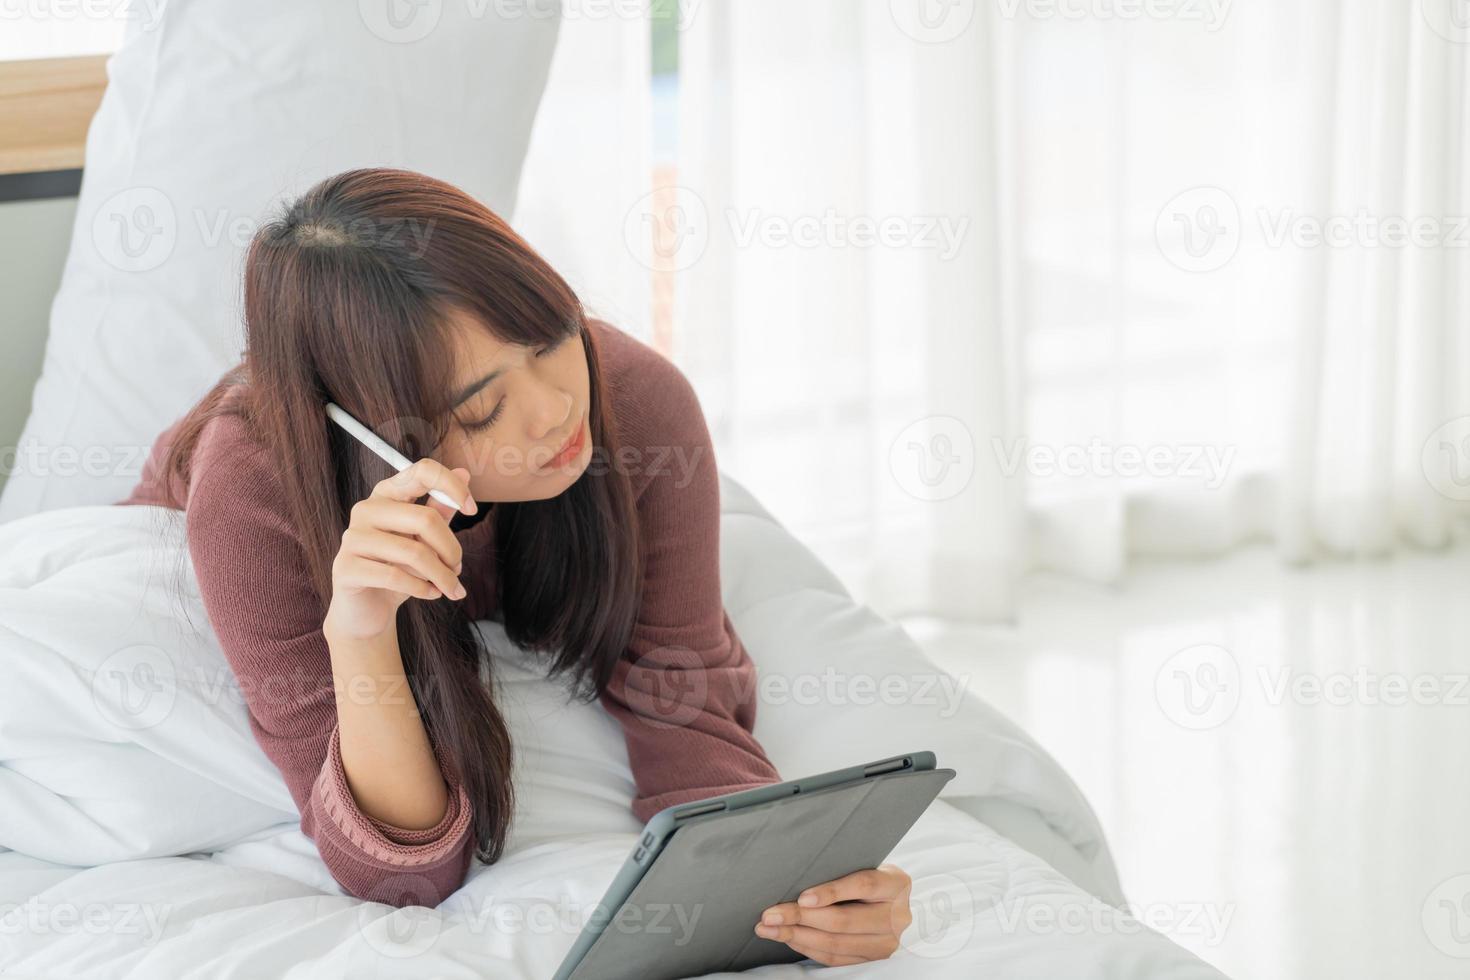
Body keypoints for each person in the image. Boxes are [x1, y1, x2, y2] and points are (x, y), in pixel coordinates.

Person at [117, 167, 912, 965]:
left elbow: (688, 711)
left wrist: (800, 892)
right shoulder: (256, 496)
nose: (556, 408)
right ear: (374, 437)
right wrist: (361, 630)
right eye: (481, 408)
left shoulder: (634, 398)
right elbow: (402, 875)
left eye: (551, 335)